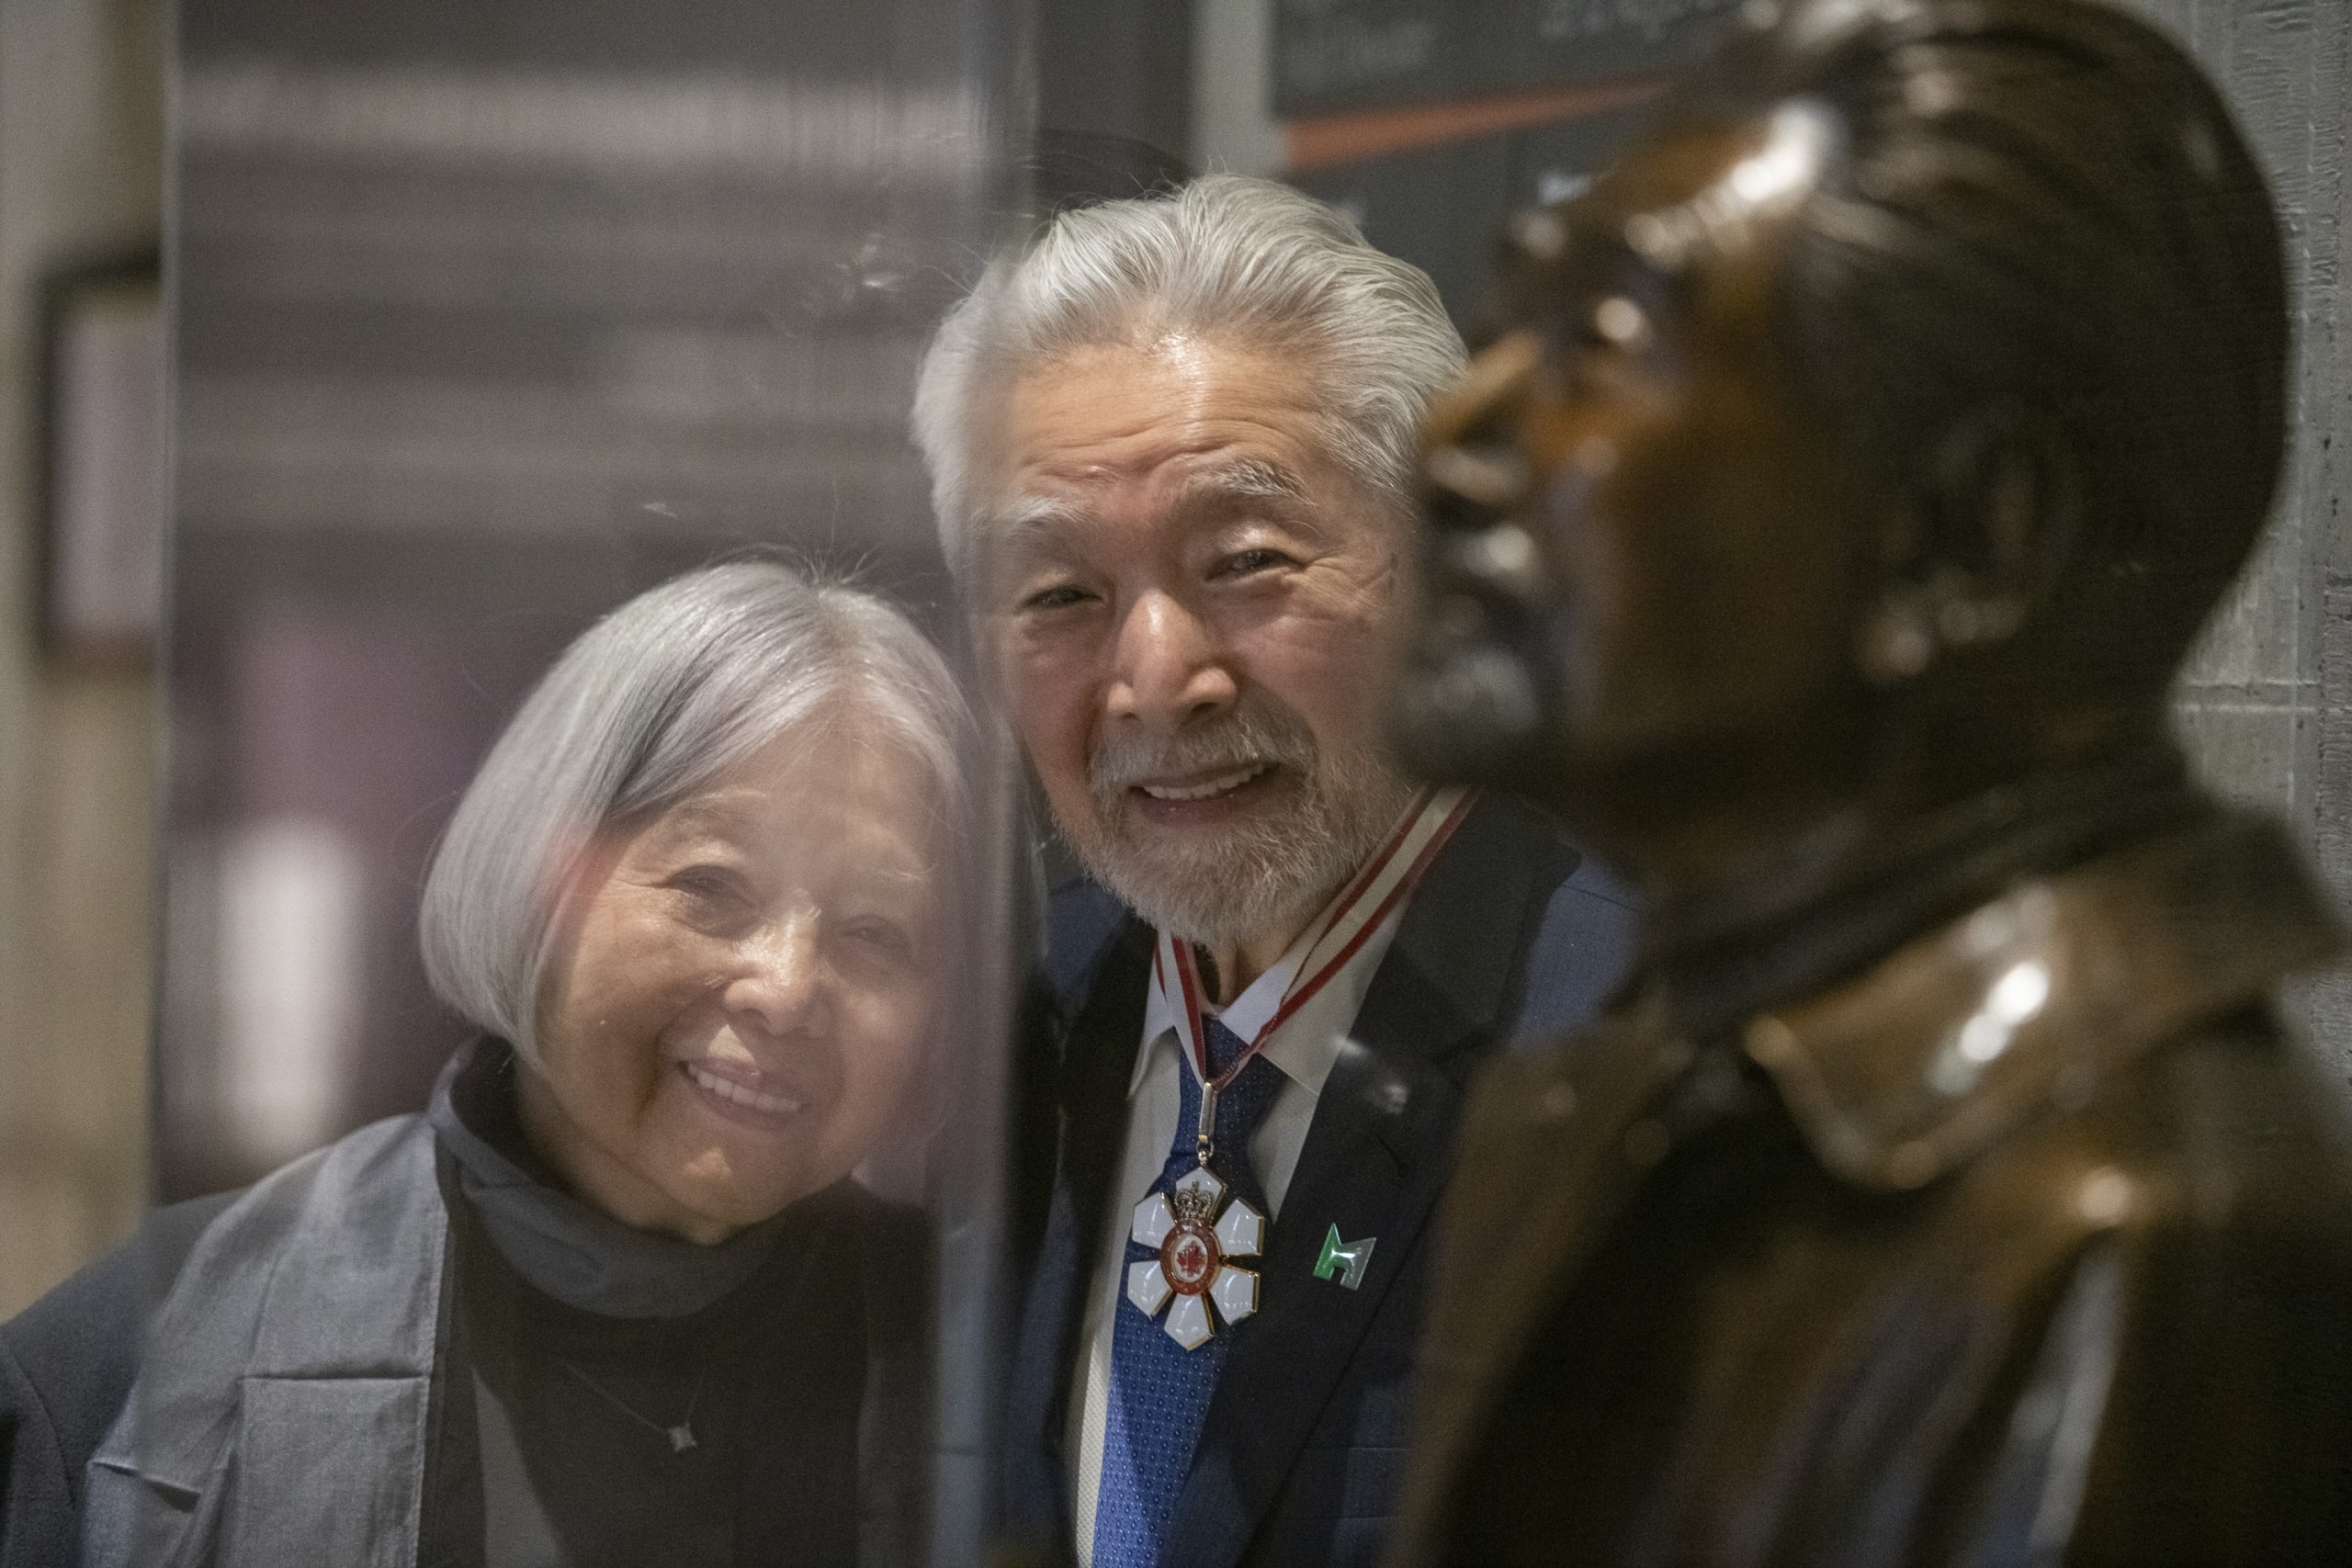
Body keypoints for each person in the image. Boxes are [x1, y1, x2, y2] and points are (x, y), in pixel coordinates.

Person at [1384, 1, 2352, 1562]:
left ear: (1970, 535)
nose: (1457, 430)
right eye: (1510, 329)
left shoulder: (2141, 1241)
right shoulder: (1614, 1098)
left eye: (1601, 348)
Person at [911, 175, 1638, 1568]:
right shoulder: (1010, 1023)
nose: (1157, 680)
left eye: (1246, 560)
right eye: (1058, 593)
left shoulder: (1645, 1056)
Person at [0, 561, 974, 1567]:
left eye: (874, 930)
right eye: (713, 886)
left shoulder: (1007, 1355)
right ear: (546, 886)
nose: (785, 985)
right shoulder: (158, 1347)